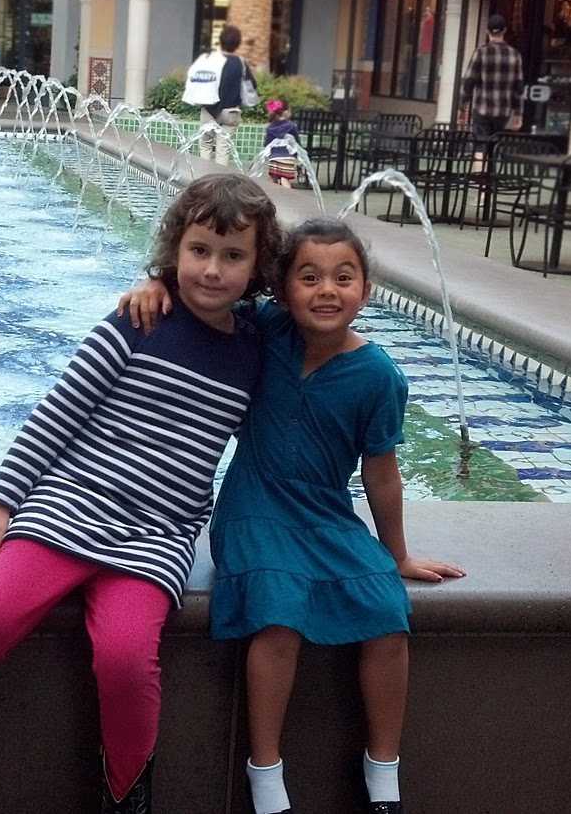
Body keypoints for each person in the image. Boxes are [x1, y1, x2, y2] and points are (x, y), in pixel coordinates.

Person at [0, 173, 285, 814]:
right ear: (175, 248)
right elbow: (58, 412)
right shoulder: (138, 321)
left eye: (233, 256)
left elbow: (310, 316)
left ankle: (127, 800)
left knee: (125, 659)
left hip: (157, 536)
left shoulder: (257, 350)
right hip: (70, 505)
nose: (212, 270)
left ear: (257, 267)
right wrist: (3, 500)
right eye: (199, 250)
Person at [119, 217, 465, 814]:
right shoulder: (265, 329)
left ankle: (383, 772)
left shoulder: (379, 376)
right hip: (253, 508)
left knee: (388, 615)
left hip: (327, 513)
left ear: (366, 290)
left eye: (343, 277)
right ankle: (265, 773)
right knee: (279, 617)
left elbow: (382, 474)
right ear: (281, 289)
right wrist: (157, 284)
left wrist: (398, 554)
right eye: (309, 277)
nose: (326, 290)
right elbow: (210, 293)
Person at [459, 14, 523, 140]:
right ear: (504, 30)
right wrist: (518, 114)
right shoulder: (515, 55)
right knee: (496, 145)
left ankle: (480, 154)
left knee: (480, 145)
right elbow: (519, 87)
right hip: (504, 112)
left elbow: (469, 82)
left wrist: (461, 107)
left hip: (482, 109)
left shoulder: (481, 52)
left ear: (487, 31)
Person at [200, 24, 255, 163]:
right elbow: (251, 85)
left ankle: (204, 174)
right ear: (237, 44)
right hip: (231, 112)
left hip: (210, 110)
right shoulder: (240, 63)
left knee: (206, 144)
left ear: (221, 41)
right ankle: (220, 175)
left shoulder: (211, 60)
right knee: (223, 149)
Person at [263, 100, 299, 188]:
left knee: (273, 178)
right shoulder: (291, 126)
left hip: (274, 157)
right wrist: (297, 154)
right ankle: (288, 195)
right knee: (284, 179)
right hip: (288, 157)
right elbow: (297, 142)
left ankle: (271, 194)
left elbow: (266, 143)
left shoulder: (270, 127)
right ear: (286, 112)